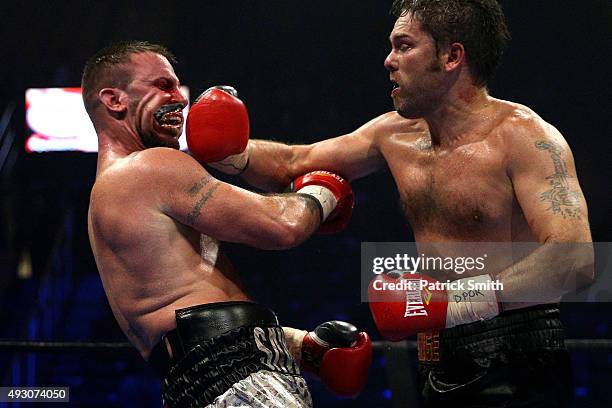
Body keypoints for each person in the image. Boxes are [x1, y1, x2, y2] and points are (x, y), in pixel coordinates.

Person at [195, 0, 594, 406]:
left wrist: (453, 304)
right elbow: (294, 162)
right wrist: (230, 152)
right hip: (434, 352)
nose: (388, 61)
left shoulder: (523, 137)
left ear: (452, 56)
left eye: (404, 46)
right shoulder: (394, 134)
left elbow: (574, 260)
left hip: (516, 351)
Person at [82, 41, 371, 408]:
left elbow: (186, 329)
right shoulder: (149, 167)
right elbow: (282, 226)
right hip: (235, 380)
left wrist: (298, 346)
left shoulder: (106, 197)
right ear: (114, 100)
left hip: (200, 383)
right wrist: (325, 190)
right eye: (162, 85)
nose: (180, 98)